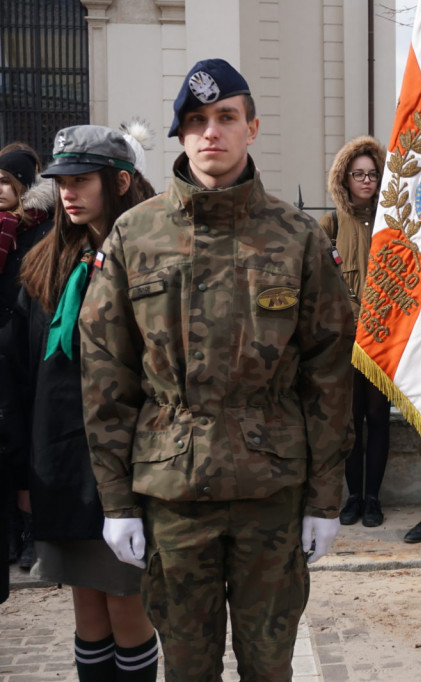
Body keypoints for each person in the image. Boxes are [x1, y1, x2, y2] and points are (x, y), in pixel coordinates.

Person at [77, 58, 354, 681]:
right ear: (179, 135)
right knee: (187, 668)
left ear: (251, 128)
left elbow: (330, 373)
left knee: (269, 666)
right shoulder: (134, 235)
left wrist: (326, 498)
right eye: (196, 120)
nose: (212, 132)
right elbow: (105, 375)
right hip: (175, 498)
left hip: (272, 494)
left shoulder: (295, 237)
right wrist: (117, 501)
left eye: (226, 117)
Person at [1, 125, 159, 680]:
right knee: (87, 607)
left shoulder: (149, 256)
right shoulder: (45, 262)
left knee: (125, 602)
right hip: (60, 463)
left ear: (118, 182)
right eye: (61, 181)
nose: (68, 192)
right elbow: (19, 375)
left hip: (127, 465)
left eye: (82, 180)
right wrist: (24, 470)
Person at [319, 135, 391, 528]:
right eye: (358, 174)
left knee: (378, 418)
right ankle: (353, 498)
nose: (366, 181)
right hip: (344, 341)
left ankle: (374, 497)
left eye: (372, 174)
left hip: (382, 339)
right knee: (350, 421)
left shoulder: (391, 225)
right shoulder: (329, 224)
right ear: (344, 179)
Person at [0, 145, 52, 573]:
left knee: (27, 440)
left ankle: (33, 532)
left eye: (6, 182)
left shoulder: (38, 228)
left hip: (25, 343)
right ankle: (13, 531)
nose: (0, 190)